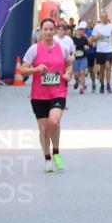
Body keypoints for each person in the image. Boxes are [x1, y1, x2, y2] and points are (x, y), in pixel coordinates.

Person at [18, 19, 72, 172]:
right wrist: (35, 70)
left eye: (51, 29)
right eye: (45, 29)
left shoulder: (63, 48)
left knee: (54, 122)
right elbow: (22, 69)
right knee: (44, 129)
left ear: (55, 31)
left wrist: (68, 73)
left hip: (58, 92)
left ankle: (56, 152)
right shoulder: (34, 49)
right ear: (41, 31)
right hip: (39, 95)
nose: (48, 32)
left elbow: (68, 64)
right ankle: (47, 158)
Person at [91, 10, 112, 93]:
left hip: (109, 50)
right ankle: (102, 84)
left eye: (105, 17)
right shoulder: (97, 27)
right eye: (102, 17)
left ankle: (108, 84)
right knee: (102, 68)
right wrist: (98, 36)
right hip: (100, 50)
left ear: (107, 17)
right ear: (100, 18)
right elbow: (93, 39)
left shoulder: (111, 26)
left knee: (108, 67)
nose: (103, 18)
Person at [72, 23, 89, 94]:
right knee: (76, 74)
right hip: (75, 59)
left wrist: (86, 47)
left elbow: (87, 46)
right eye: (79, 30)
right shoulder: (72, 39)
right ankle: (77, 81)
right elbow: (70, 48)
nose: (80, 31)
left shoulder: (84, 38)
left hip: (83, 58)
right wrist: (73, 48)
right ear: (76, 31)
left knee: (82, 72)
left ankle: (81, 87)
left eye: (82, 30)